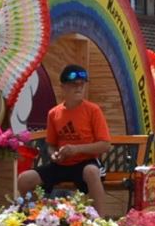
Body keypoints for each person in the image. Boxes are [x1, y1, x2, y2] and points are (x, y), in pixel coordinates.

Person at [16, 65, 109, 213]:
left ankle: (102, 222)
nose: (79, 88)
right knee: (24, 179)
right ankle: (36, 216)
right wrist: (54, 155)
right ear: (63, 87)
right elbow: (51, 145)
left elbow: (105, 145)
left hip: (85, 162)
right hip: (62, 164)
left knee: (92, 171)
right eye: (74, 84)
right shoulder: (54, 113)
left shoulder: (93, 110)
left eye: (82, 84)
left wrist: (77, 149)